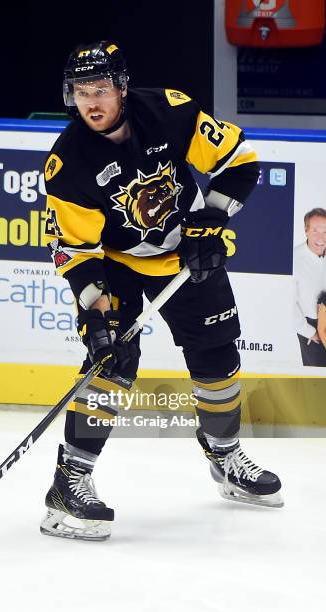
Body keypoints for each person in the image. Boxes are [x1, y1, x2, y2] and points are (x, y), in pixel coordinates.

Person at [40, 41, 283, 541]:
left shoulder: (169, 111)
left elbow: (241, 162)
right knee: (112, 363)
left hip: (182, 253)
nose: (91, 103)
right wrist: (97, 313)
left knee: (217, 358)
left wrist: (210, 221)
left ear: (122, 88)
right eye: (81, 93)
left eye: (101, 90)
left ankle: (224, 455)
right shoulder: (69, 163)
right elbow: (75, 253)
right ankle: (69, 483)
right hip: (116, 264)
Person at [293, 208, 326, 367]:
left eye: (325, 231)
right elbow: (288, 304)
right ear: (306, 231)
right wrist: (310, 332)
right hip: (312, 326)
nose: (321, 237)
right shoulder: (293, 260)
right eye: (315, 230)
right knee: (318, 378)